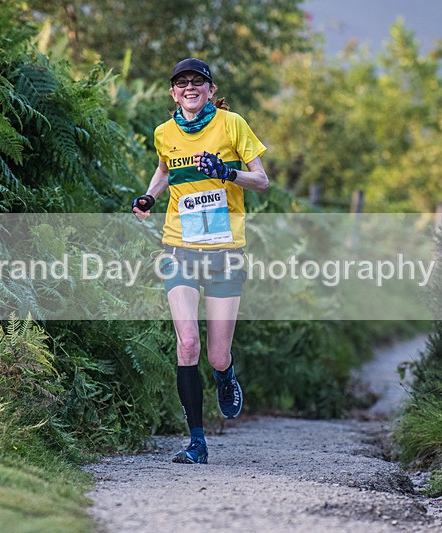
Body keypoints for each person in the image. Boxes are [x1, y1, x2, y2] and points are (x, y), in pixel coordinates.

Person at [132, 58, 269, 464]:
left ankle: (225, 375)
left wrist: (227, 172)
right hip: (179, 248)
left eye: (198, 81)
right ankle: (197, 442)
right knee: (187, 343)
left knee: (216, 355)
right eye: (182, 83)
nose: (189, 87)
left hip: (225, 252)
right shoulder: (164, 132)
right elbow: (164, 170)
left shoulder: (232, 125)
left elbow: (262, 181)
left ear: (210, 90)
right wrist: (150, 196)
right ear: (173, 92)